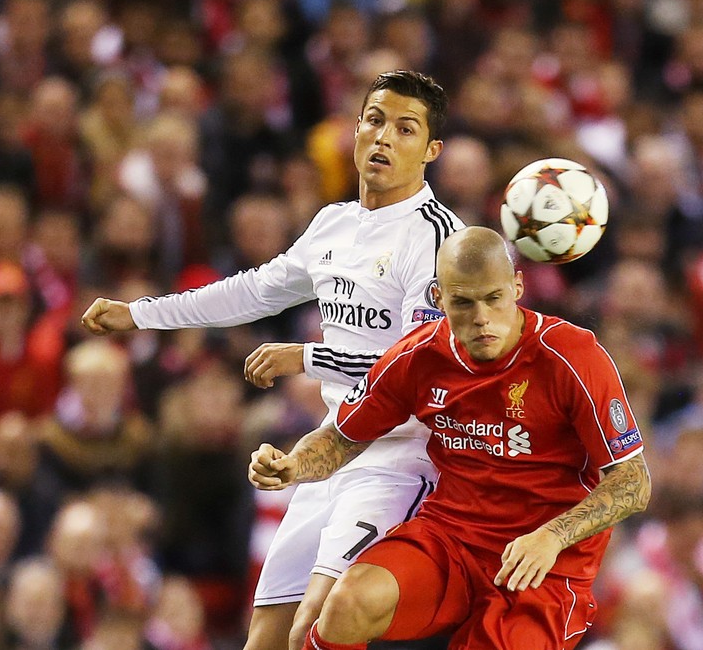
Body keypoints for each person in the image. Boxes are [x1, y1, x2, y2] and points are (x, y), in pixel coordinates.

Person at [80, 70, 463, 650]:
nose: (384, 138)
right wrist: (141, 313)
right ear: (356, 128)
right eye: (375, 120)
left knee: (319, 621)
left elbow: (412, 373)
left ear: (431, 151)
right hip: (328, 449)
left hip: (395, 460)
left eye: (405, 129)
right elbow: (252, 291)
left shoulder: (435, 237)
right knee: (265, 637)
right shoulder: (333, 223)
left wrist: (305, 357)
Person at [249, 227, 652, 649]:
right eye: (463, 302)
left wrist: (553, 536)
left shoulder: (572, 357)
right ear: (438, 298)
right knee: (349, 602)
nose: (481, 318)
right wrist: (294, 465)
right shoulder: (418, 356)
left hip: (544, 564)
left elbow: (634, 482)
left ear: (517, 286)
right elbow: (344, 437)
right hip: (452, 539)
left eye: (493, 298)